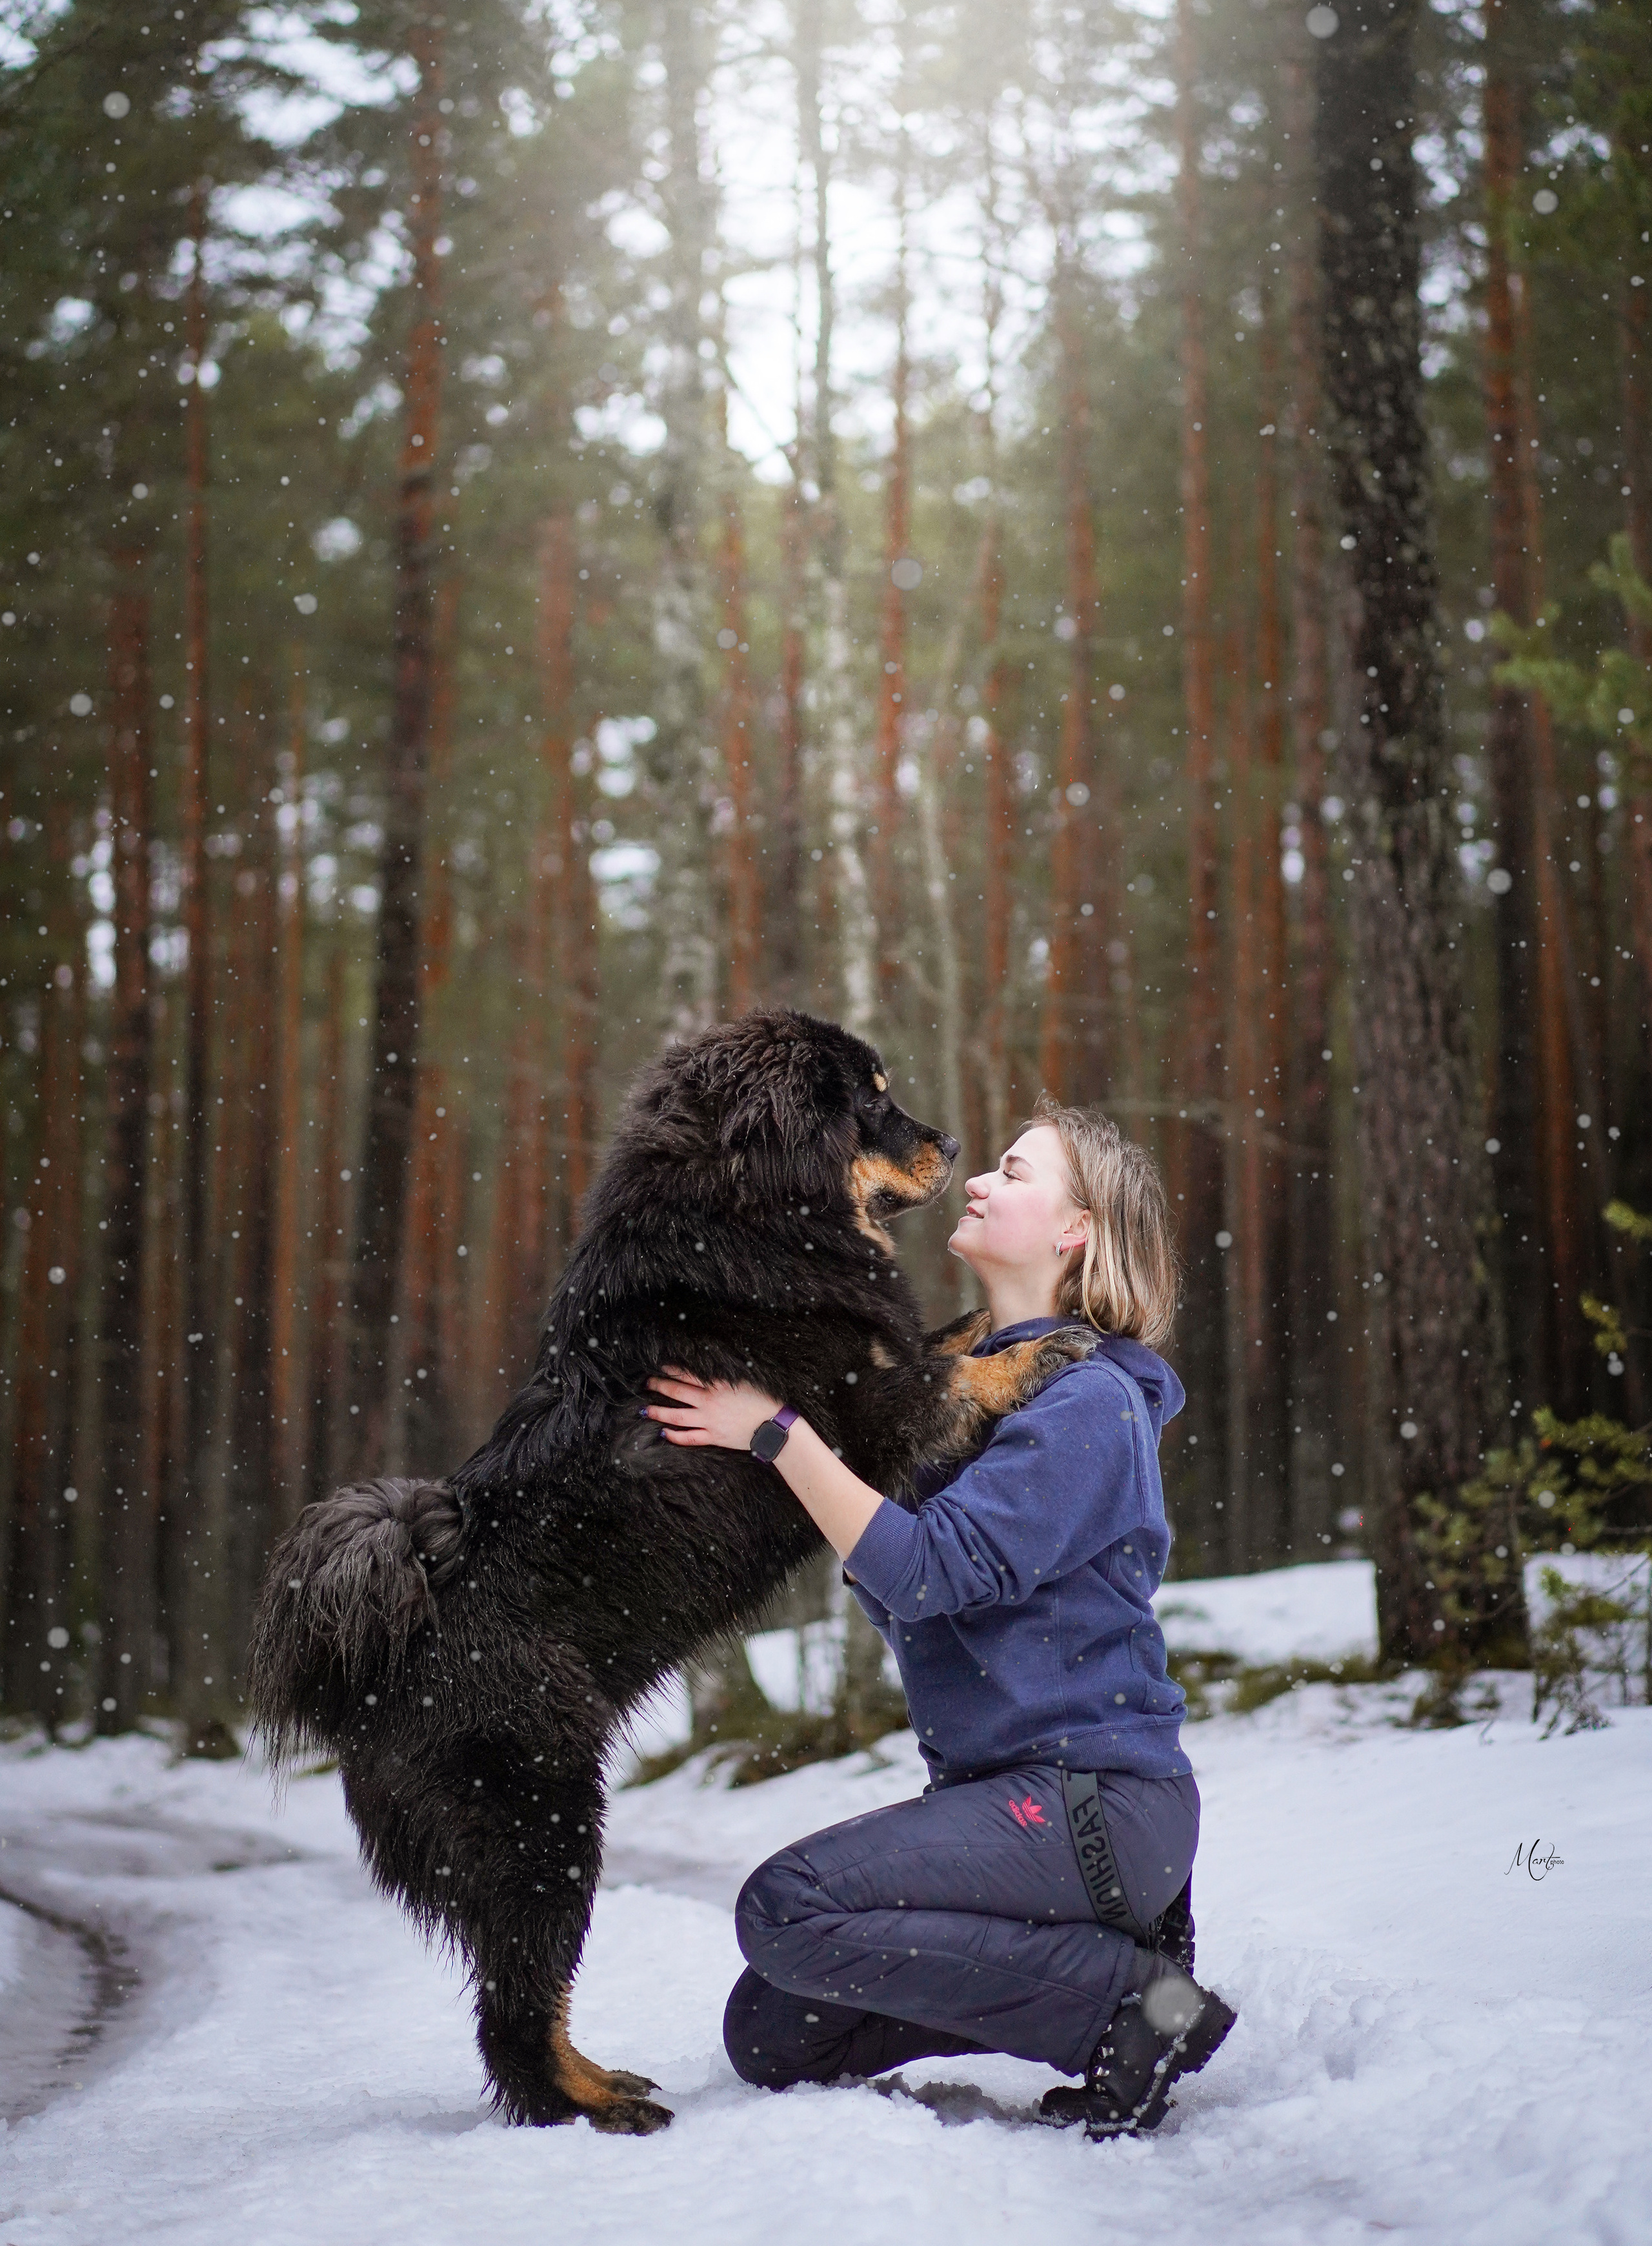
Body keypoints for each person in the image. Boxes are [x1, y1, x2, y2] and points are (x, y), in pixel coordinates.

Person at [641, 1095, 1235, 2139]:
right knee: (777, 2035)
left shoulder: (1089, 1403)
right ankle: (1105, 1979)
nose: (977, 1180)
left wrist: (778, 1435)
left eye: (1014, 1172)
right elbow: (900, 1590)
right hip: (1011, 1802)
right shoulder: (972, 1395)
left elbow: (927, 1573)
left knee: (786, 1909)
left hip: (1090, 1803)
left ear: (1075, 1230)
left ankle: (1140, 2007)